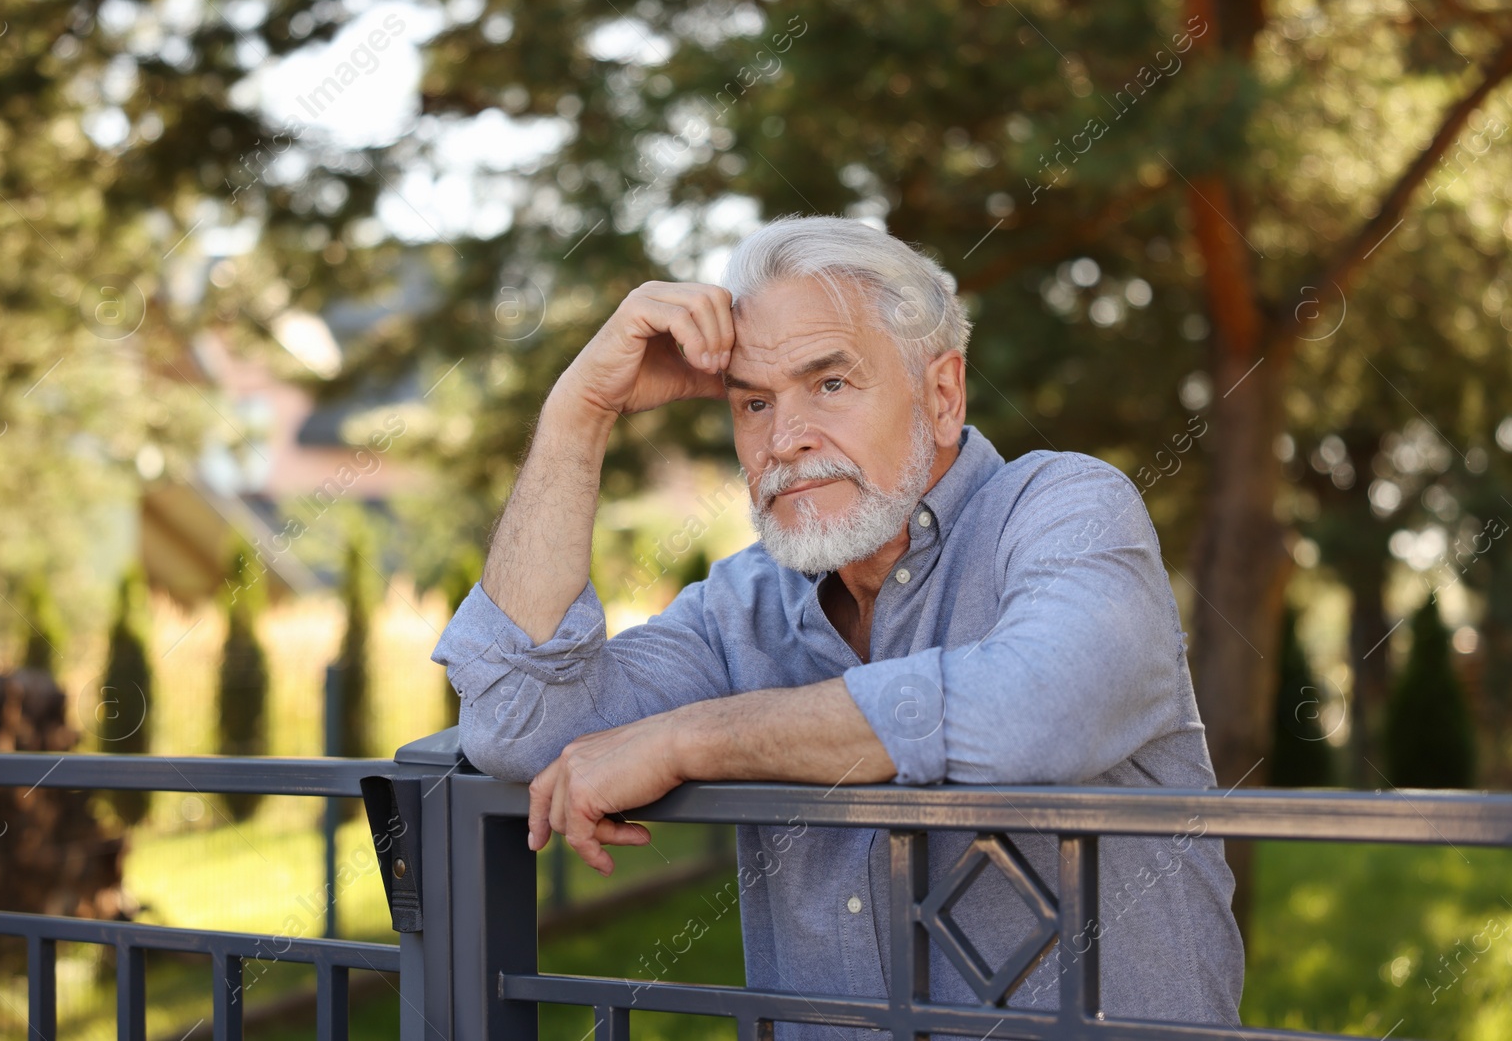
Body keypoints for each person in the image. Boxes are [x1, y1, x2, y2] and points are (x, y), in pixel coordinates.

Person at [431, 215, 1245, 1036]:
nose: (785, 439)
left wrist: (694, 738)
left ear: (942, 394)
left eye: (831, 384)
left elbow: (1035, 708)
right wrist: (582, 409)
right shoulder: (741, 605)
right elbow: (518, 725)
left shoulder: (1065, 508)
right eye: (753, 402)